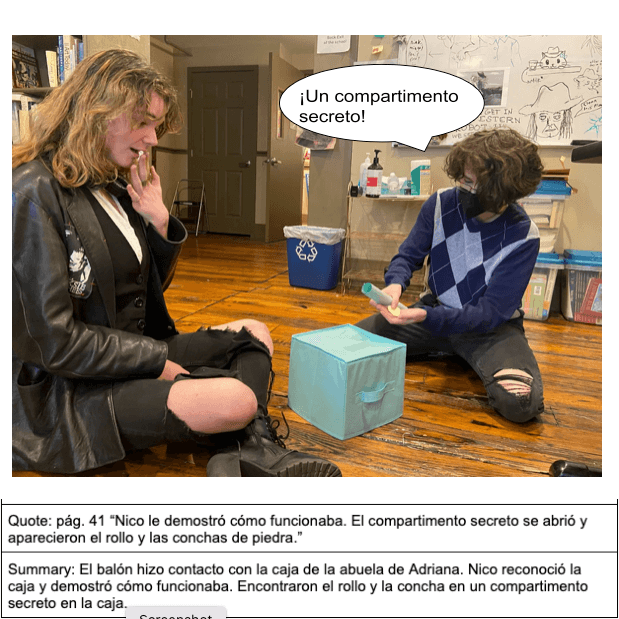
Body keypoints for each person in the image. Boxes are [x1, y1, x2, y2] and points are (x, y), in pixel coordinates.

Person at [12, 48, 341, 477]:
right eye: (144, 122)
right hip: (73, 389)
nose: (153, 139)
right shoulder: (32, 193)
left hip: (130, 351)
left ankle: (247, 448)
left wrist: (159, 221)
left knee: (256, 335)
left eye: (156, 125)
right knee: (238, 400)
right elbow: (54, 343)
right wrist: (155, 362)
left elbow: (140, 291)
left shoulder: (111, 185)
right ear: (98, 112)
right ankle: (245, 441)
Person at [356, 128, 545, 423]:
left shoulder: (524, 235)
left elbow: (490, 312)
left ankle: (460, 351)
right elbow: (408, 255)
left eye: (473, 183)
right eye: (463, 179)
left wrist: (428, 318)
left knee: (520, 402)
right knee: (351, 345)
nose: (463, 188)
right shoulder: (440, 204)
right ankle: (451, 350)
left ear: (502, 190)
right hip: (433, 313)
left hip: (491, 331)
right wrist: (395, 284)